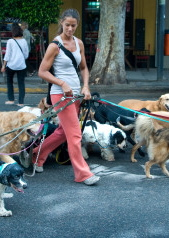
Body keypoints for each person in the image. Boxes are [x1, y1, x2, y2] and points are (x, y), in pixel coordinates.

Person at [32, 8, 100, 186]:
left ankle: (37, 155)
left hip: (76, 94)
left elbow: (84, 68)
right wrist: (62, 83)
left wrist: (85, 87)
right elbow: (42, 71)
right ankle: (83, 174)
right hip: (60, 95)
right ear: (61, 22)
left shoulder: (79, 44)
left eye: (73, 26)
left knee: (64, 132)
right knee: (75, 134)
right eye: (67, 25)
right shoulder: (54, 46)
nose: (70, 29)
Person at [1, 23, 29, 107]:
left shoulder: (10, 41)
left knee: (9, 82)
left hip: (11, 65)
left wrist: (3, 66)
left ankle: (11, 99)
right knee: (21, 83)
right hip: (21, 66)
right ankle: (21, 102)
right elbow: (26, 55)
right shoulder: (24, 41)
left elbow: (7, 55)